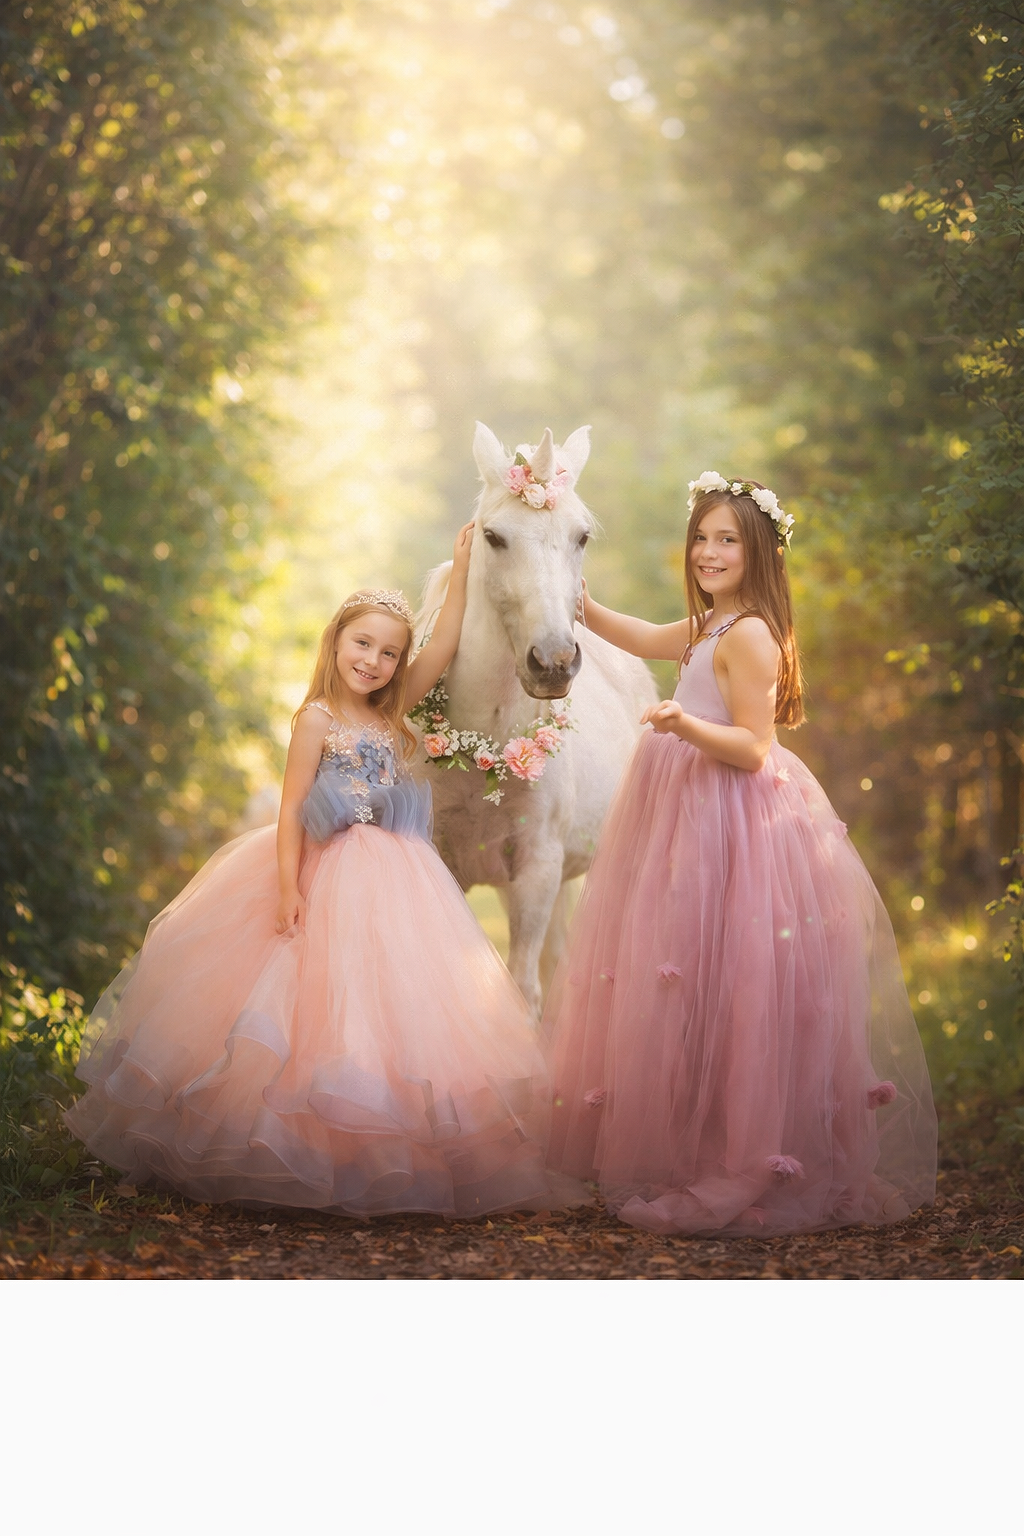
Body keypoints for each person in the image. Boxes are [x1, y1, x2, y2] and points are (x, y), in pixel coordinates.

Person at [67, 524, 577, 1218]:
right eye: (362, 644)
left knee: (392, 1004)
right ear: (336, 642)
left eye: (389, 653)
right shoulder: (314, 719)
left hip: (396, 876)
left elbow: (446, 643)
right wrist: (285, 890)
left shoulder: (395, 712)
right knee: (306, 1003)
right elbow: (288, 812)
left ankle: (378, 1140)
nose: (374, 660)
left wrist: (461, 572)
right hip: (321, 867)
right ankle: (290, 1140)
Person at [545, 473, 937, 1235]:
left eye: (727, 539)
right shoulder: (708, 628)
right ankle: (703, 1143)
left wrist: (682, 725)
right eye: (701, 537)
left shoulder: (751, 633)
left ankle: (747, 1158)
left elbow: (755, 749)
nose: (709, 551)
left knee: (737, 986)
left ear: (757, 552)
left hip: (737, 825)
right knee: (687, 979)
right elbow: (641, 635)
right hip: (692, 820)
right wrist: (581, 605)